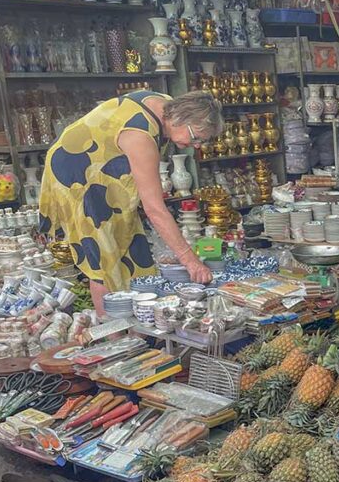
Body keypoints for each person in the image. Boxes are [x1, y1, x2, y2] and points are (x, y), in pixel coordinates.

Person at [39, 90, 222, 315]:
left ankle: (139, 329)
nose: (196, 145)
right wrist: (190, 260)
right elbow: (154, 208)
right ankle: (113, 336)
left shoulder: (168, 107)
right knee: (103, 257)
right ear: (181, 119)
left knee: (133, 248)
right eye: (196, 137)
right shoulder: (140, 136)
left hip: (105, 169)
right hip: (76, 173)